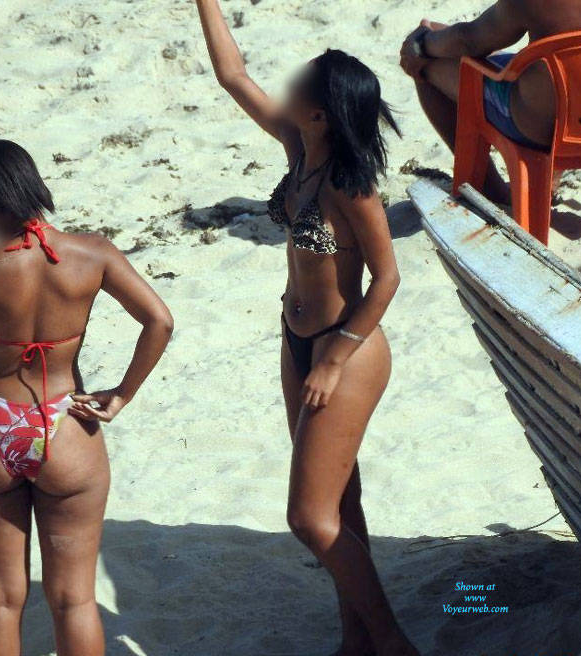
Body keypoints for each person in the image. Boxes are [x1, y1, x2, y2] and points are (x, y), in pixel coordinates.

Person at [195, 2, 417, 655]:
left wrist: (334, 358)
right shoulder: (300, 152)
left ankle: (393, 644)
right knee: (340, 505)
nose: (285, 87)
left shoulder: (352, 188)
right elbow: (233, 76)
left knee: (308, 519)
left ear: (319, 113)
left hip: (345, 350)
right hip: (298, 344)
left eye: (298, 85)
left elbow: (387, 279)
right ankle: (357, 644)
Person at [0, 139, 174, 656]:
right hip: (66, 424)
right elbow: (159, 321)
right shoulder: (93, 253)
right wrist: (122, 394)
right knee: (75, 600)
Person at [400, 0, 581, 203]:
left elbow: (470, 41)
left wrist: (421, 44)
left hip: (544, 128)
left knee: (426, 65)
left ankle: (493, 192)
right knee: (566, 67)